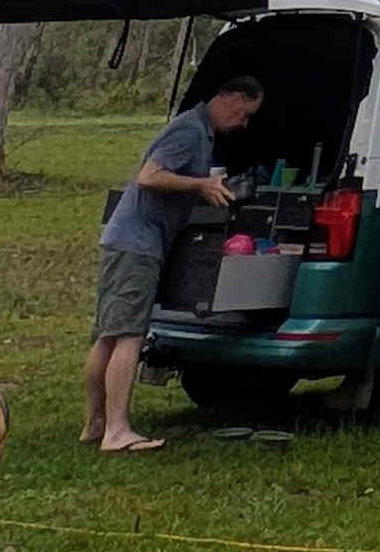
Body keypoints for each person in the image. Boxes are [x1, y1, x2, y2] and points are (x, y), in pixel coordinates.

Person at [84, 73, 263, 453]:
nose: (243, 124)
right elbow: (149, 177)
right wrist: (201, 185)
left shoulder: (202, 132)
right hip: (137, 243)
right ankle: (116, 431)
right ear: (231, 97)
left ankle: (95, 423)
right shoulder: (189, 130)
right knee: (129, 335)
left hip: (127, 240)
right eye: (245, 114)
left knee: (109, 334)